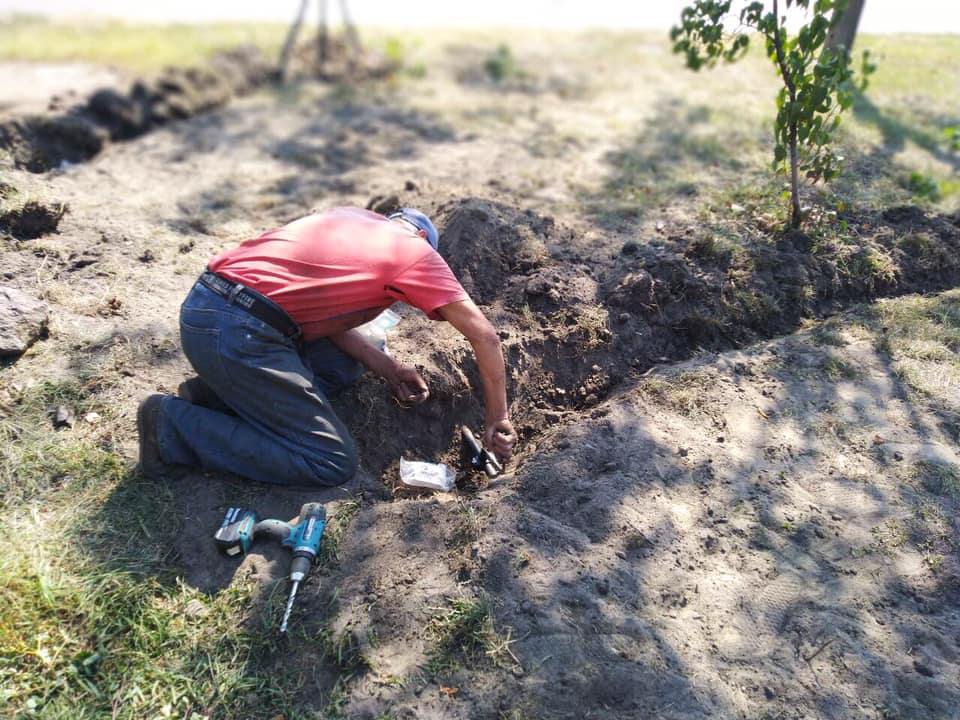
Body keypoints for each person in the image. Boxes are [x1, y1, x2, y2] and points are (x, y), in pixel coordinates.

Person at [136, 206, 517, 486]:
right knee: (329, 460)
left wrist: (388, 368)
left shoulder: (351, 218)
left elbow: (322, 315)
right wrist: (497, 420)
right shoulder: (415, 253)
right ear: (425, 244)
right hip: (241, 333)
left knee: (342, 364)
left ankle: (213, 398)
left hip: (208, 312)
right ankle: (171, 426)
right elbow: (484, 335)